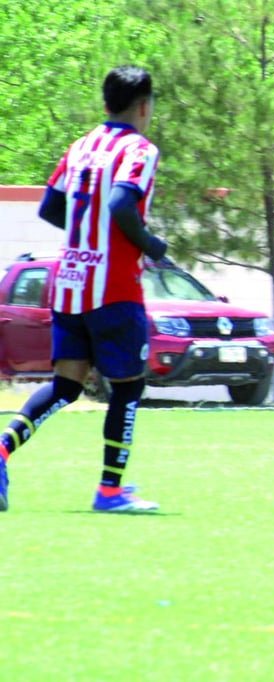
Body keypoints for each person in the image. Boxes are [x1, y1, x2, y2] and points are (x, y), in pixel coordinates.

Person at [0, 65, 167, 513]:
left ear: (105, 103)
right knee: (128, 389)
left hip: (69, 281)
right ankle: (110, 492)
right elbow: (119, 203)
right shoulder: (140, 149)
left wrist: (85, 238)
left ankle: (0, 451)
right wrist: (149, 244)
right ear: (144, 106)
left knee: (65, 387)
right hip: (113, 288)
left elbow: (50, 206)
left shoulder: (80, 146)